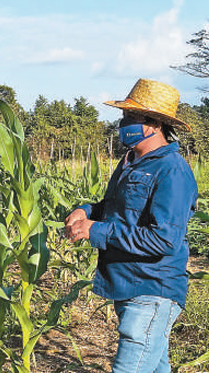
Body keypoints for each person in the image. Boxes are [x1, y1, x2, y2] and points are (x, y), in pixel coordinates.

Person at [65, 79, 198, 373]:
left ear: (154, 124)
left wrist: (95, 230)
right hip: (127, 284)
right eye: (123, 116)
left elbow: (164, 240)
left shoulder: (171, 171)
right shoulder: (130, 161)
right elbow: (114, 207)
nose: (122, 123)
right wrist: (86, 211)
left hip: (152, 289)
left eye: (131, 117)